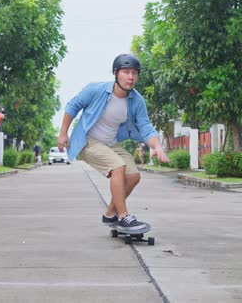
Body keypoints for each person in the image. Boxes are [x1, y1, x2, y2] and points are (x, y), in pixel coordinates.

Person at [57, 53, 169, 232]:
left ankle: (110, 214)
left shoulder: (136, 101)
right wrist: (63, 133)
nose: (131, 77)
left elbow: (145, 126)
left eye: (134, 73)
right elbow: (73, 106)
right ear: (115, 73)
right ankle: (123, 216)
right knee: (118, 167)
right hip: (88, 141)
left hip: (110, 143)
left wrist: (156, 145)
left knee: (133, 176)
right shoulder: (96, 90)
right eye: (126, 72)